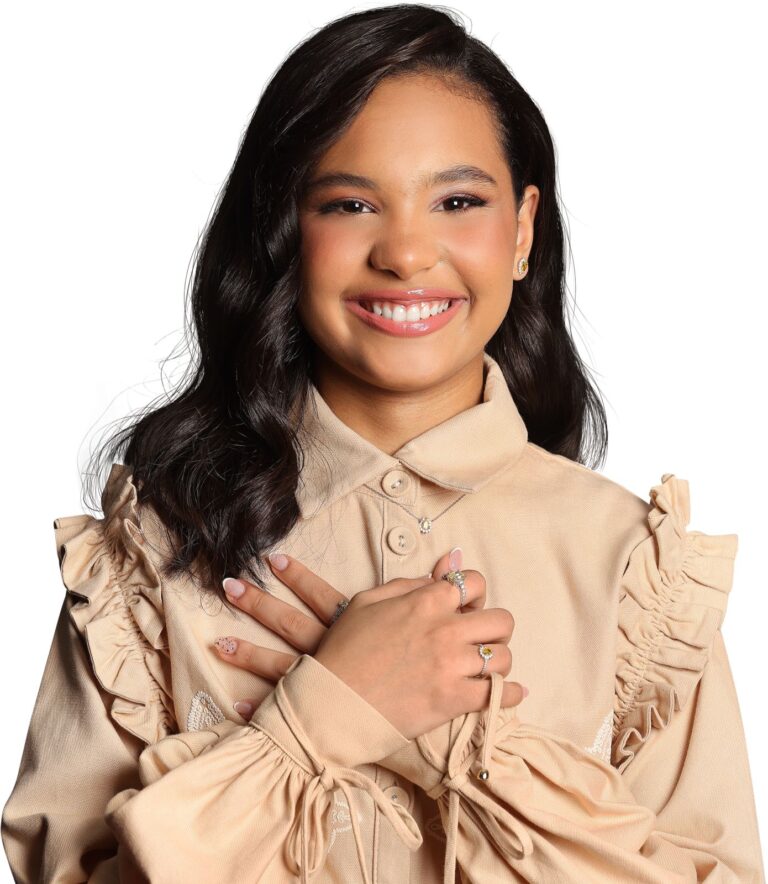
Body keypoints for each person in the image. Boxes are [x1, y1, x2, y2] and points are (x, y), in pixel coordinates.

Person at [2, 4, 764, 882]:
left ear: (522, 230)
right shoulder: (152, 554)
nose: (405, 252)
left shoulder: (633, 570)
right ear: (286, 233)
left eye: (458, 201)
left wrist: (452, 744)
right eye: (351, 204)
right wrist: (313, 724)